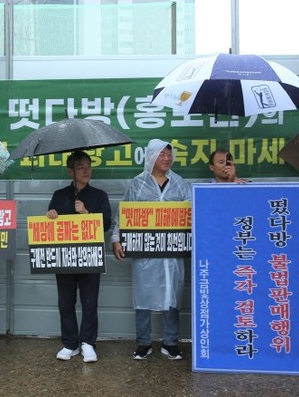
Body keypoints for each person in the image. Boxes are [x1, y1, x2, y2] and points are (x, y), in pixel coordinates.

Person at [111, 139, 191, 360]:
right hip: (145, 251)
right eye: (161, 154)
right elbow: (123, 214)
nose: (166, 158)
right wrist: (116, 239)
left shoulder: (179, 183)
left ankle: (170, 342)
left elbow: (192, 211)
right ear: (151, 156)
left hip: (172, 252)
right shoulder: (138, 184)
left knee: (172, 295)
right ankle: (143, 342)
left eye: (169, 154)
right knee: (143, 295)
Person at [46, 150, 112, 363]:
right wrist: (51, 216)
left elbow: (106, 225)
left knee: (89, 301)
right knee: (65, 302)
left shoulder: (99, 196)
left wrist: (86, 213)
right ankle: (69, 343)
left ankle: (88, 343)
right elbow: (50, 223)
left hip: (90, 255)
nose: (86, 171)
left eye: (88, 166)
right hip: (64, 256)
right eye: (80, 167)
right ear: (70, 171)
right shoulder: (59, 195)